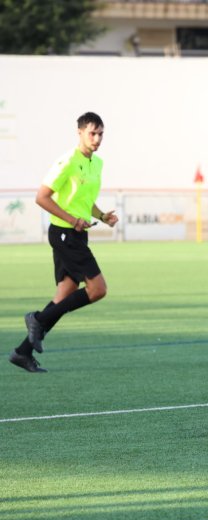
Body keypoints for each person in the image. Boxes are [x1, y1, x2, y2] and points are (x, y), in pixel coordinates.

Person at [9, 112, 118, 373]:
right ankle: (37, 319)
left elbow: (83, 199)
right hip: (64, 234)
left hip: (78, 233)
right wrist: (72, 219)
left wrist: (102, 215)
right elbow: (42, 197)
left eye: (101, 133)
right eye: (92, 133)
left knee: (64, 295)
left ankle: (22, 353)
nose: (97, 138)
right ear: (79, 132)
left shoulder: (97, 163)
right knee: (98, 289)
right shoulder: (68, 161)